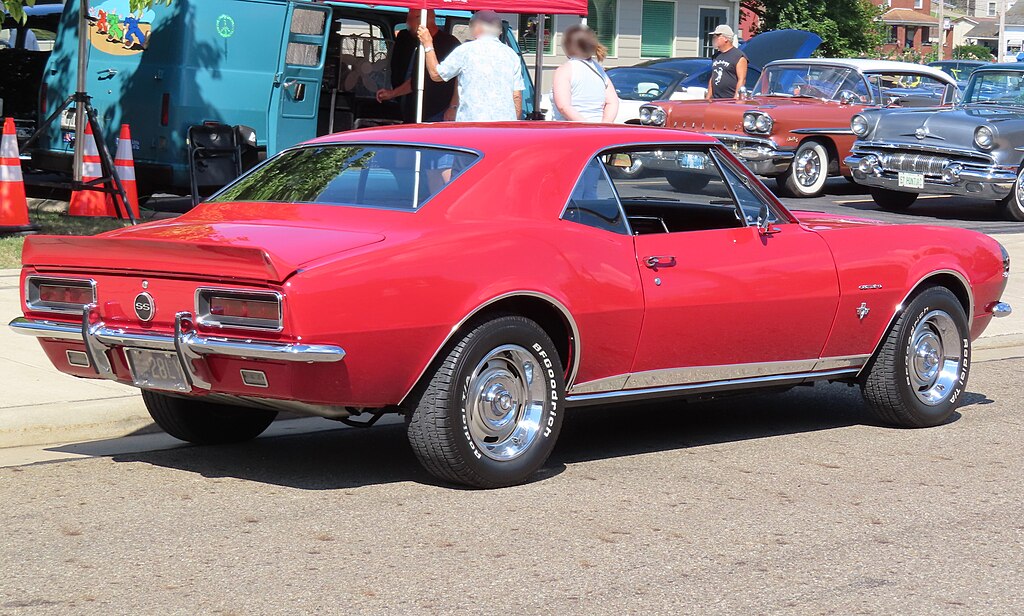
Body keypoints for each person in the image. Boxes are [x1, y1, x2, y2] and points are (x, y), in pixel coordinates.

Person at [417, 10, 525, 122]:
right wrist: (513, 124)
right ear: (500, 31)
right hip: (504, 125)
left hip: (472, 124)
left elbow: (436, 74)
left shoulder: (466, 50)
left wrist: (428, 43)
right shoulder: (511, 55)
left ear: (477, 28)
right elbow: (516, 96)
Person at [377, 10, 460, 123]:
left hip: (436, 110)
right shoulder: (404, 38)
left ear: (424, 19)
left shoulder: (449, 44)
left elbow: (458, 77)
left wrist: (453, 107)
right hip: (407, 106)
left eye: (411, 19)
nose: (407, 23)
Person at [551, 24, 618, 123]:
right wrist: (604, 125)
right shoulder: (600, 70)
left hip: (570, 129)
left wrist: (587, 126)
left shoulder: (564, 70)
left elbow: (563, 107)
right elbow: (612, 102)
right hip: (599, 128)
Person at [706, 24, 747, 100]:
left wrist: (736, 99)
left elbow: (742, 79)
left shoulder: (738, 56)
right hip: (715, 99)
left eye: (717, 36)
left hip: (729, 100)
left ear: (725, 38)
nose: (714, 39)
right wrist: (708, 97)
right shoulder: (716, 56)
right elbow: (713, 77)